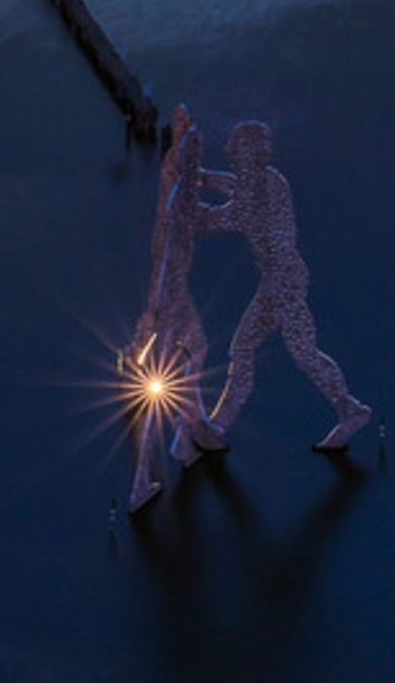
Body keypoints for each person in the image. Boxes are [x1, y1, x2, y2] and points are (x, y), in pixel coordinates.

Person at [204, 121, 370, 451]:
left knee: (294, 351)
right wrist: (203, 177)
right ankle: (219, 424)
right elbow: (236, 187)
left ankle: (350, 409)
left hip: (285, 280)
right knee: (258, 348)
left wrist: (193, 212)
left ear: (253, 150)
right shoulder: (263, 180)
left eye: (239, 146)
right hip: (277, 279)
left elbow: (232, 215)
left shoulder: (267, 184)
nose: (231, 152)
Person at [128, 105, 227, 511]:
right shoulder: (177, 198)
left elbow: (204, 213)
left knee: (197, 350)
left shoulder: (179, 186)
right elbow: (167, 252)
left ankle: (187, 436)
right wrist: (153, 310)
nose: (199, 155)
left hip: (176, 291)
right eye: (194, 148)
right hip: (169, 295)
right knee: (159, 387)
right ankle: (141, 485)